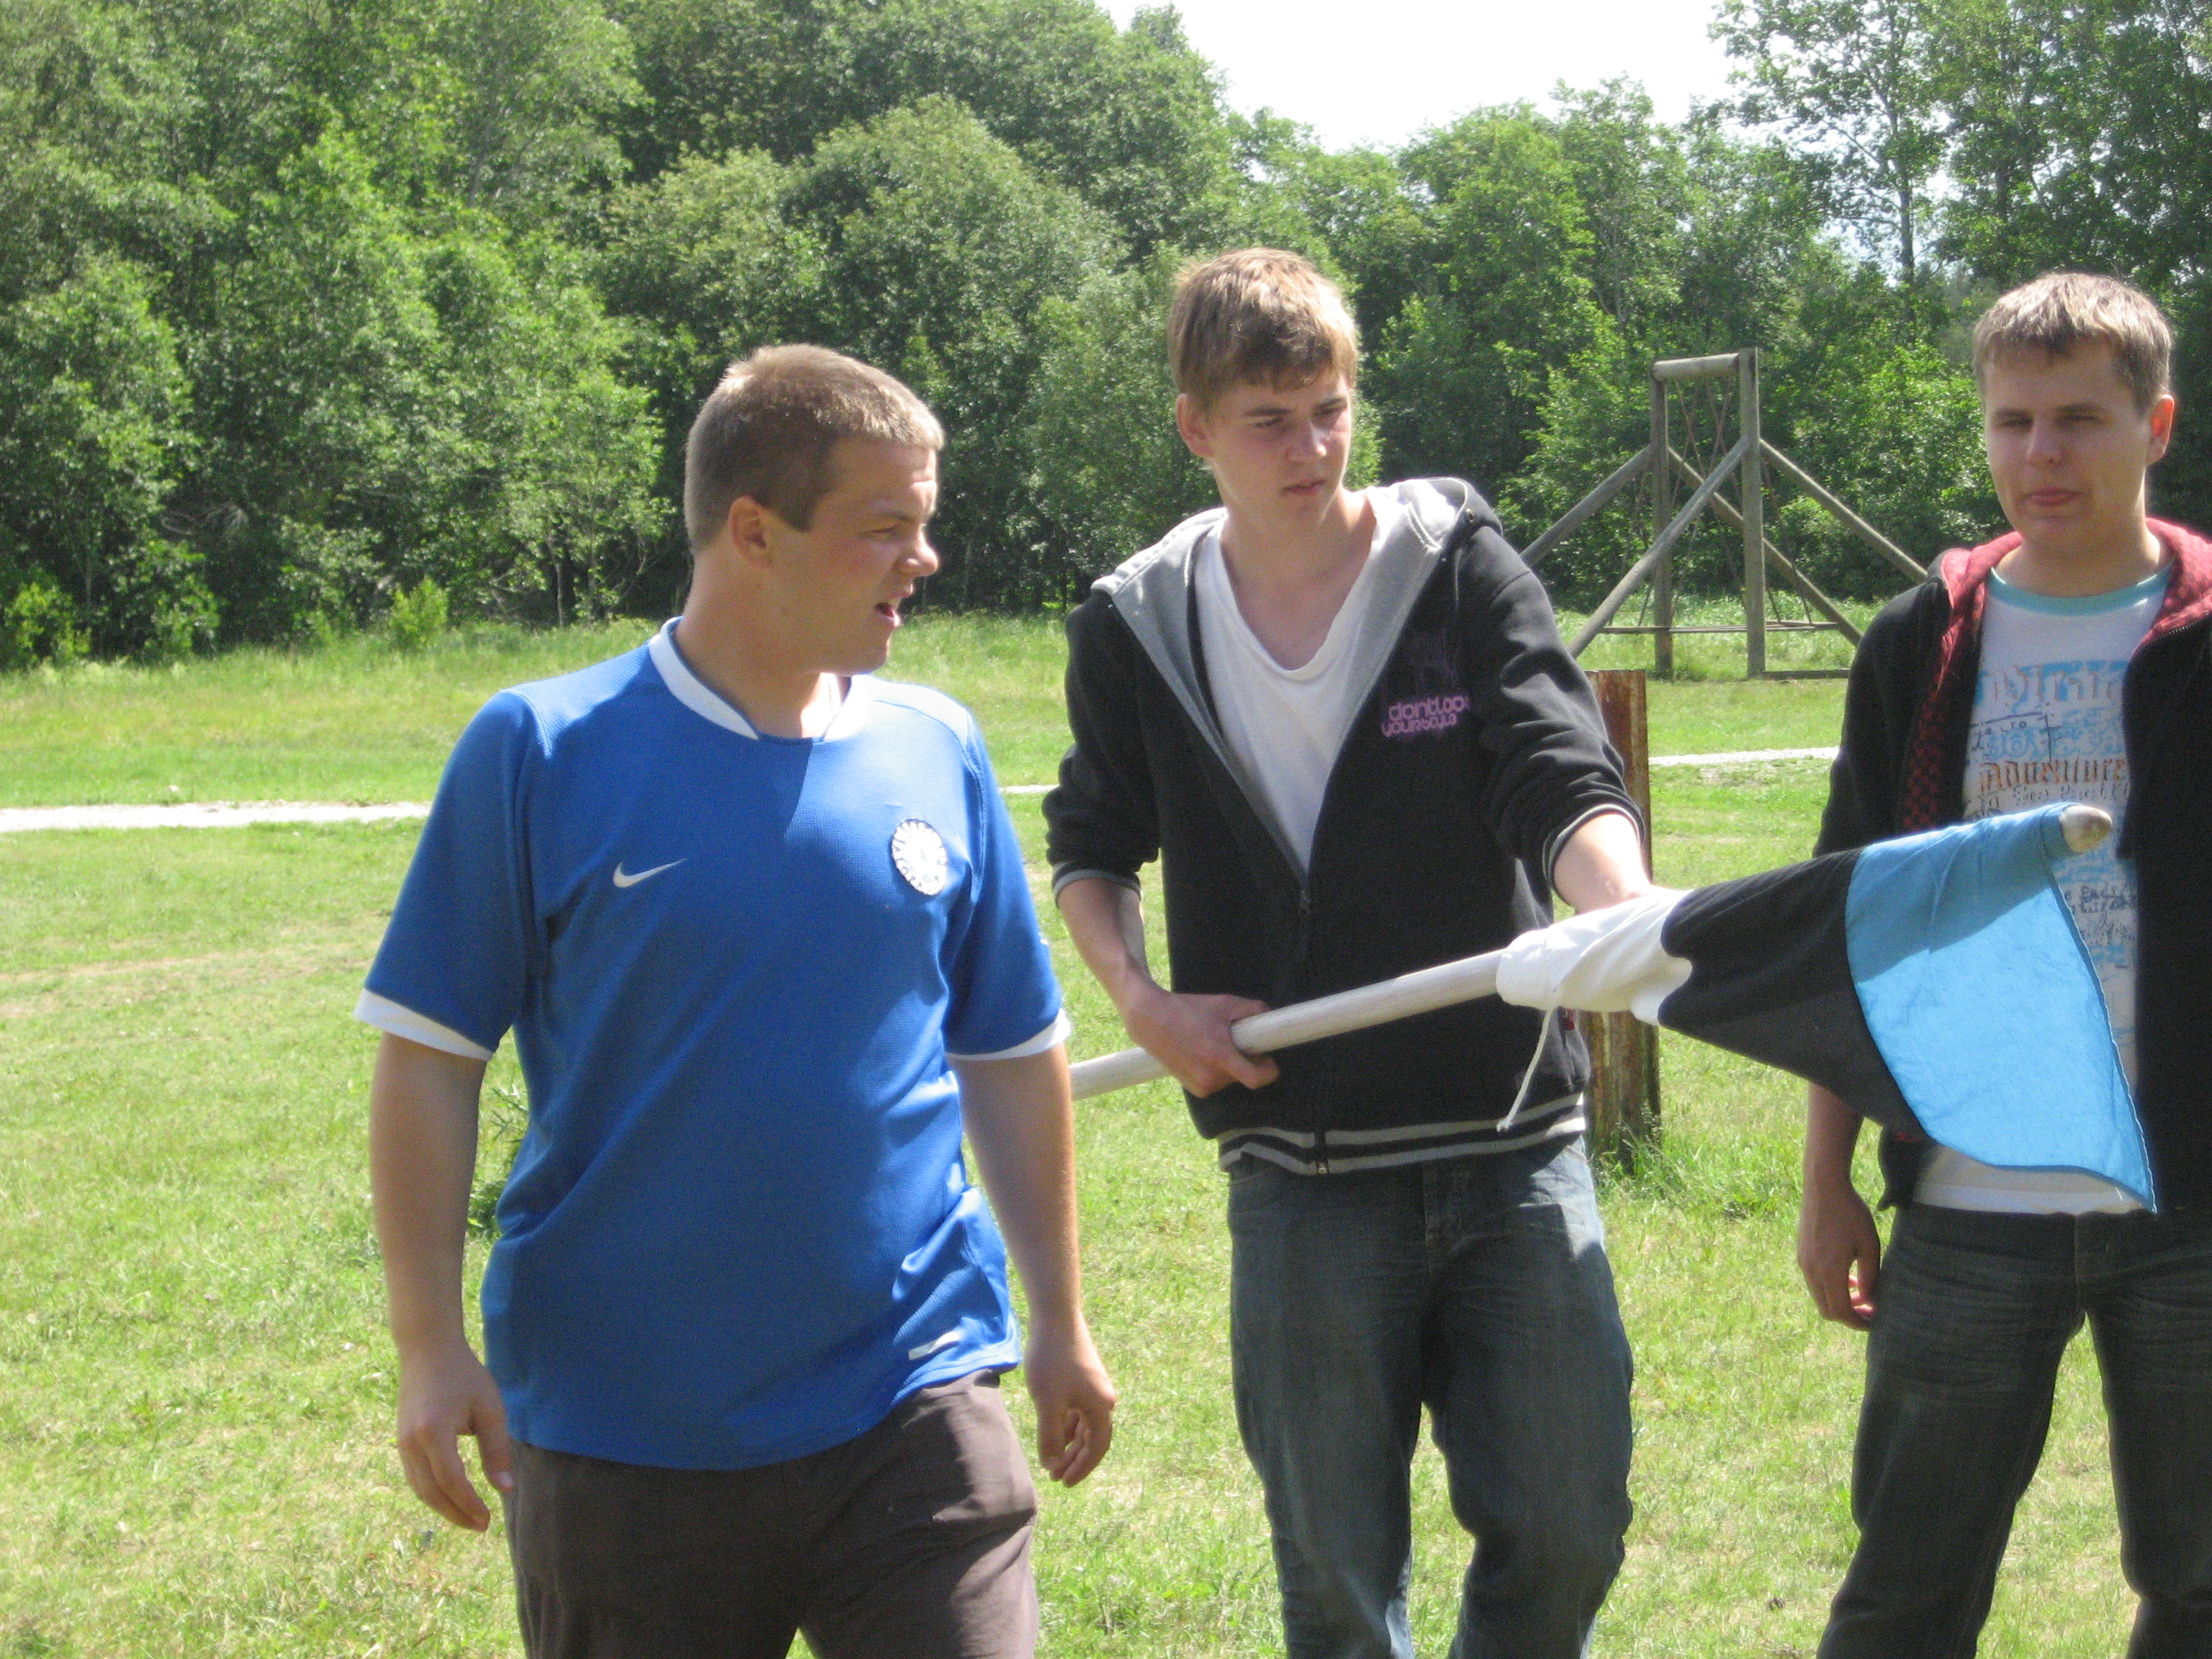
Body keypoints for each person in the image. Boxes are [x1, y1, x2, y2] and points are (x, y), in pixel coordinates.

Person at [359, 344, 1115, 1659]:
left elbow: (1008, 1050)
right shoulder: (544, 749)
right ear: (755, 532)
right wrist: (429, 1347)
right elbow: (431, 1057)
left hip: (915, 1389)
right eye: (885, 527)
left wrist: (1057, 1316)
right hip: (628, 1422)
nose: (923, 559)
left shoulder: (936, 745)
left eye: (924, 523)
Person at [1043, 248, 1654, 1658]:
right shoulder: (1135, 622)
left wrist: (1619, 907)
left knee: (1570, 1526)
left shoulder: (1455, 565)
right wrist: (1143, 1001)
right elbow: (1092, 846)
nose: (1311, 449)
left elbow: (1556, 768)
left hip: (1510, 1140)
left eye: (1330, 411)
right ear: (1195, 428)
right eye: (1269, 421)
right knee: (1335, 1580)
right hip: (1298, 1166)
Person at [1799, 271, 2212, 1656]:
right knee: (1906, 1595)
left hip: (2192, 1205)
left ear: (2157, 425)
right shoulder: (1923, 642)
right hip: (1966, 1196)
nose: (2043, 455)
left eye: (2081, 420)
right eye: (2013, 421)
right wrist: (1827, 1184)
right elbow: (1855, 926)